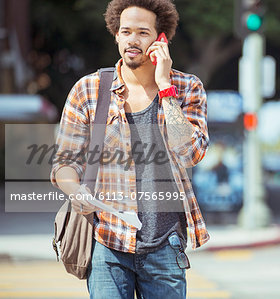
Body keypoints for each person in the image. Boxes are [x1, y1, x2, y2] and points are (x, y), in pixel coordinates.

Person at [50, 0, 210, 297]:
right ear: (116, 35)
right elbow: (64, 162)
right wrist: (75, 191)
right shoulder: (89, 89)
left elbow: (192, 154)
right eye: (125, 32)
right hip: (107, 242)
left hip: (165, 244)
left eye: (142, 32)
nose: (132, 40)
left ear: (161, 39)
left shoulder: (188, 88)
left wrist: (166, 89)